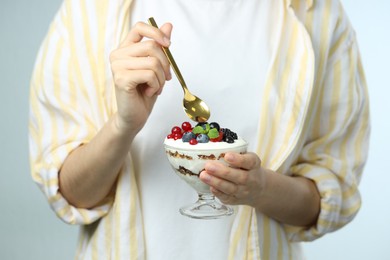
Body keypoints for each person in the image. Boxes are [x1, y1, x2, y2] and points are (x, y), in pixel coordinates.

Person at [29, 0, 370, 259]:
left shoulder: (317, 13)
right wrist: (124, 125)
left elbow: (329, 195)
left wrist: (261, 188)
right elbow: (71, 195)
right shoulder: (89, 10)